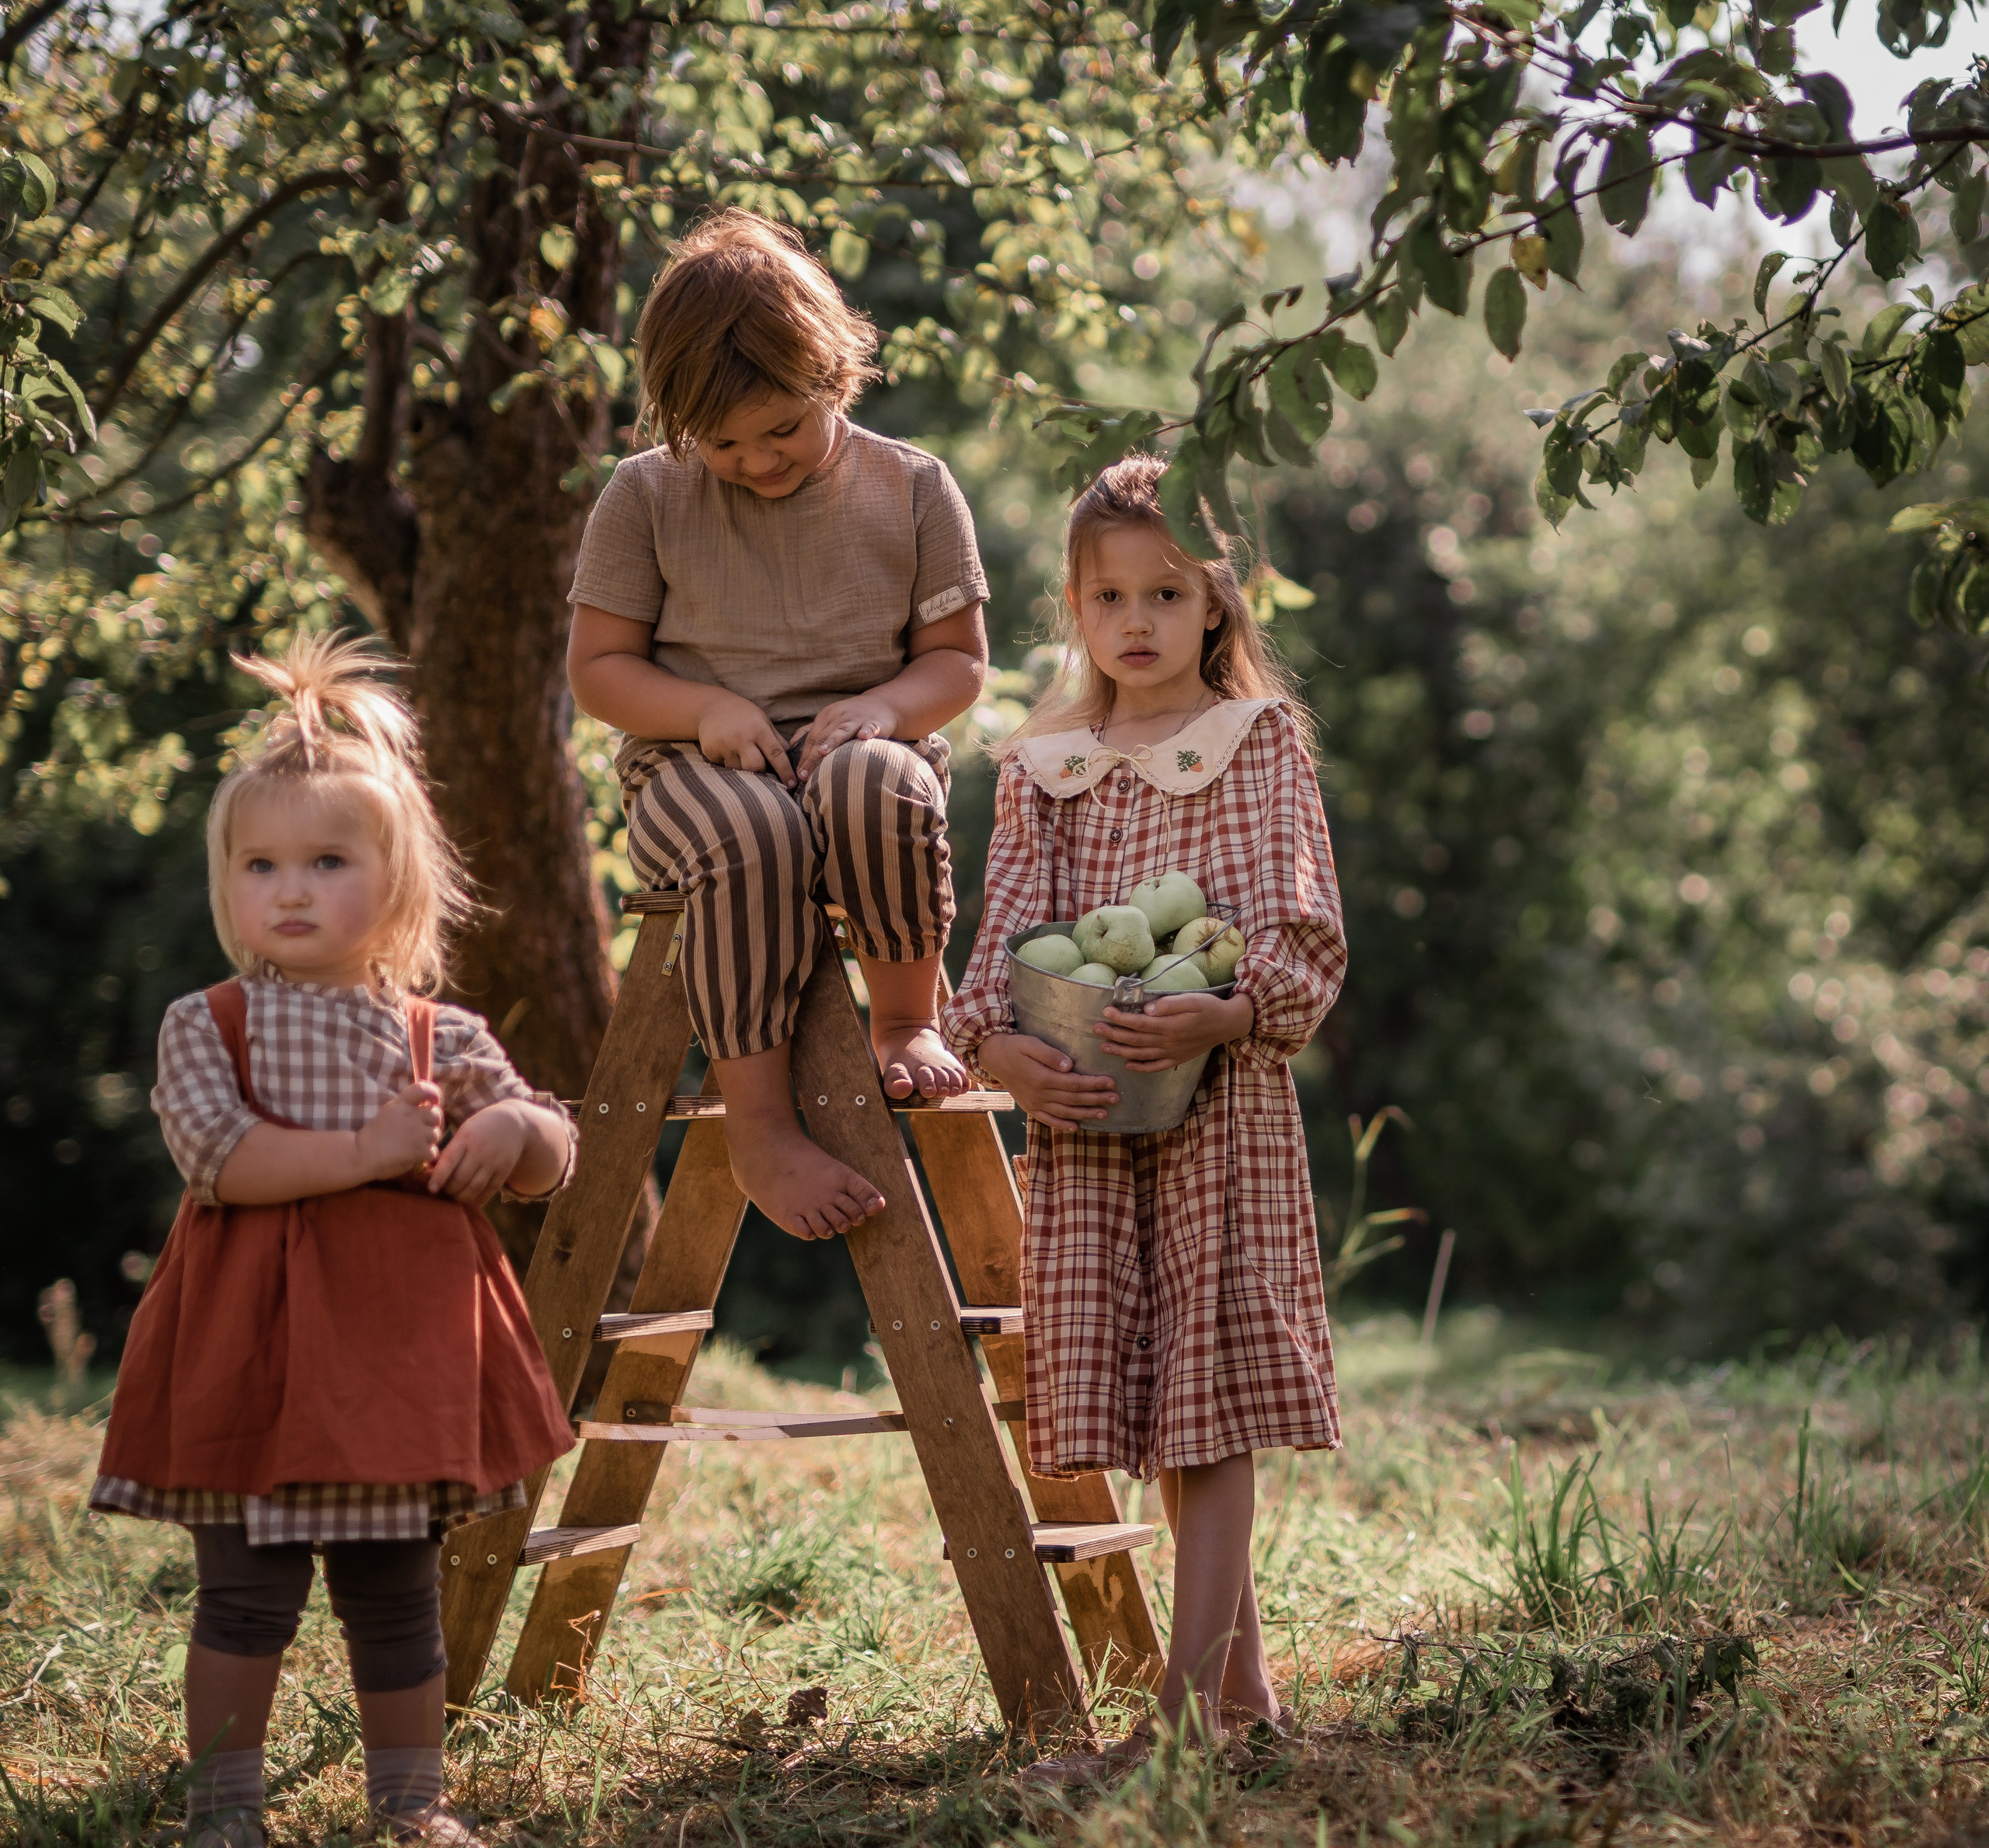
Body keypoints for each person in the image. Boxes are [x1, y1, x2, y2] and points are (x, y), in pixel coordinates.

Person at [90, 633, 577, 1848]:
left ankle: (412, 1803)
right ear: (227, 885)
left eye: (326, 861)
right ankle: (225, 1808)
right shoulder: (208, 1024)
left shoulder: (438, 1036)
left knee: (394, 1595)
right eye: (260, 865)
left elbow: (553, 1156)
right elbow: (221, 1159)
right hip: (251, 1354)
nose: (290, 890)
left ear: (397, 883)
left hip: (397, 1363)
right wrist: (367, 1151)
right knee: (244, 1595)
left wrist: (513, 1128)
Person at [942, 454, 1347, 1775]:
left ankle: (1181, 1721)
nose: (1136, 620)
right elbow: (1006, 939)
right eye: (1109, 595)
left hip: (1216, 1116)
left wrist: (1223, 1014)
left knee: (1209, 1399)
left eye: (1166, 594)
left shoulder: (1254, 741)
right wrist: (1004, 1050)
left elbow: (1295, 926)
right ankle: (1245, 1706)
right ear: (1075, 605)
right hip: (1087, 1121)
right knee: (1168, 1396)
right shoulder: (1046, 765)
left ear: (1216, 603)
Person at [566, 208, 990, 1244]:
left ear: (834, 376)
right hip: (693, 776)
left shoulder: (914, 486)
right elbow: (599, 670)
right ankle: (759, 1125)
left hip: (866, 754)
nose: (758, 461)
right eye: (722, 444)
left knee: (880, 785)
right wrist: (705, 710)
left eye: (782, 431)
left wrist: (883, 709)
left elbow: (959, 662)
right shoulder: (644, 495)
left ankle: (906, 1021)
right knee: (752, 832)